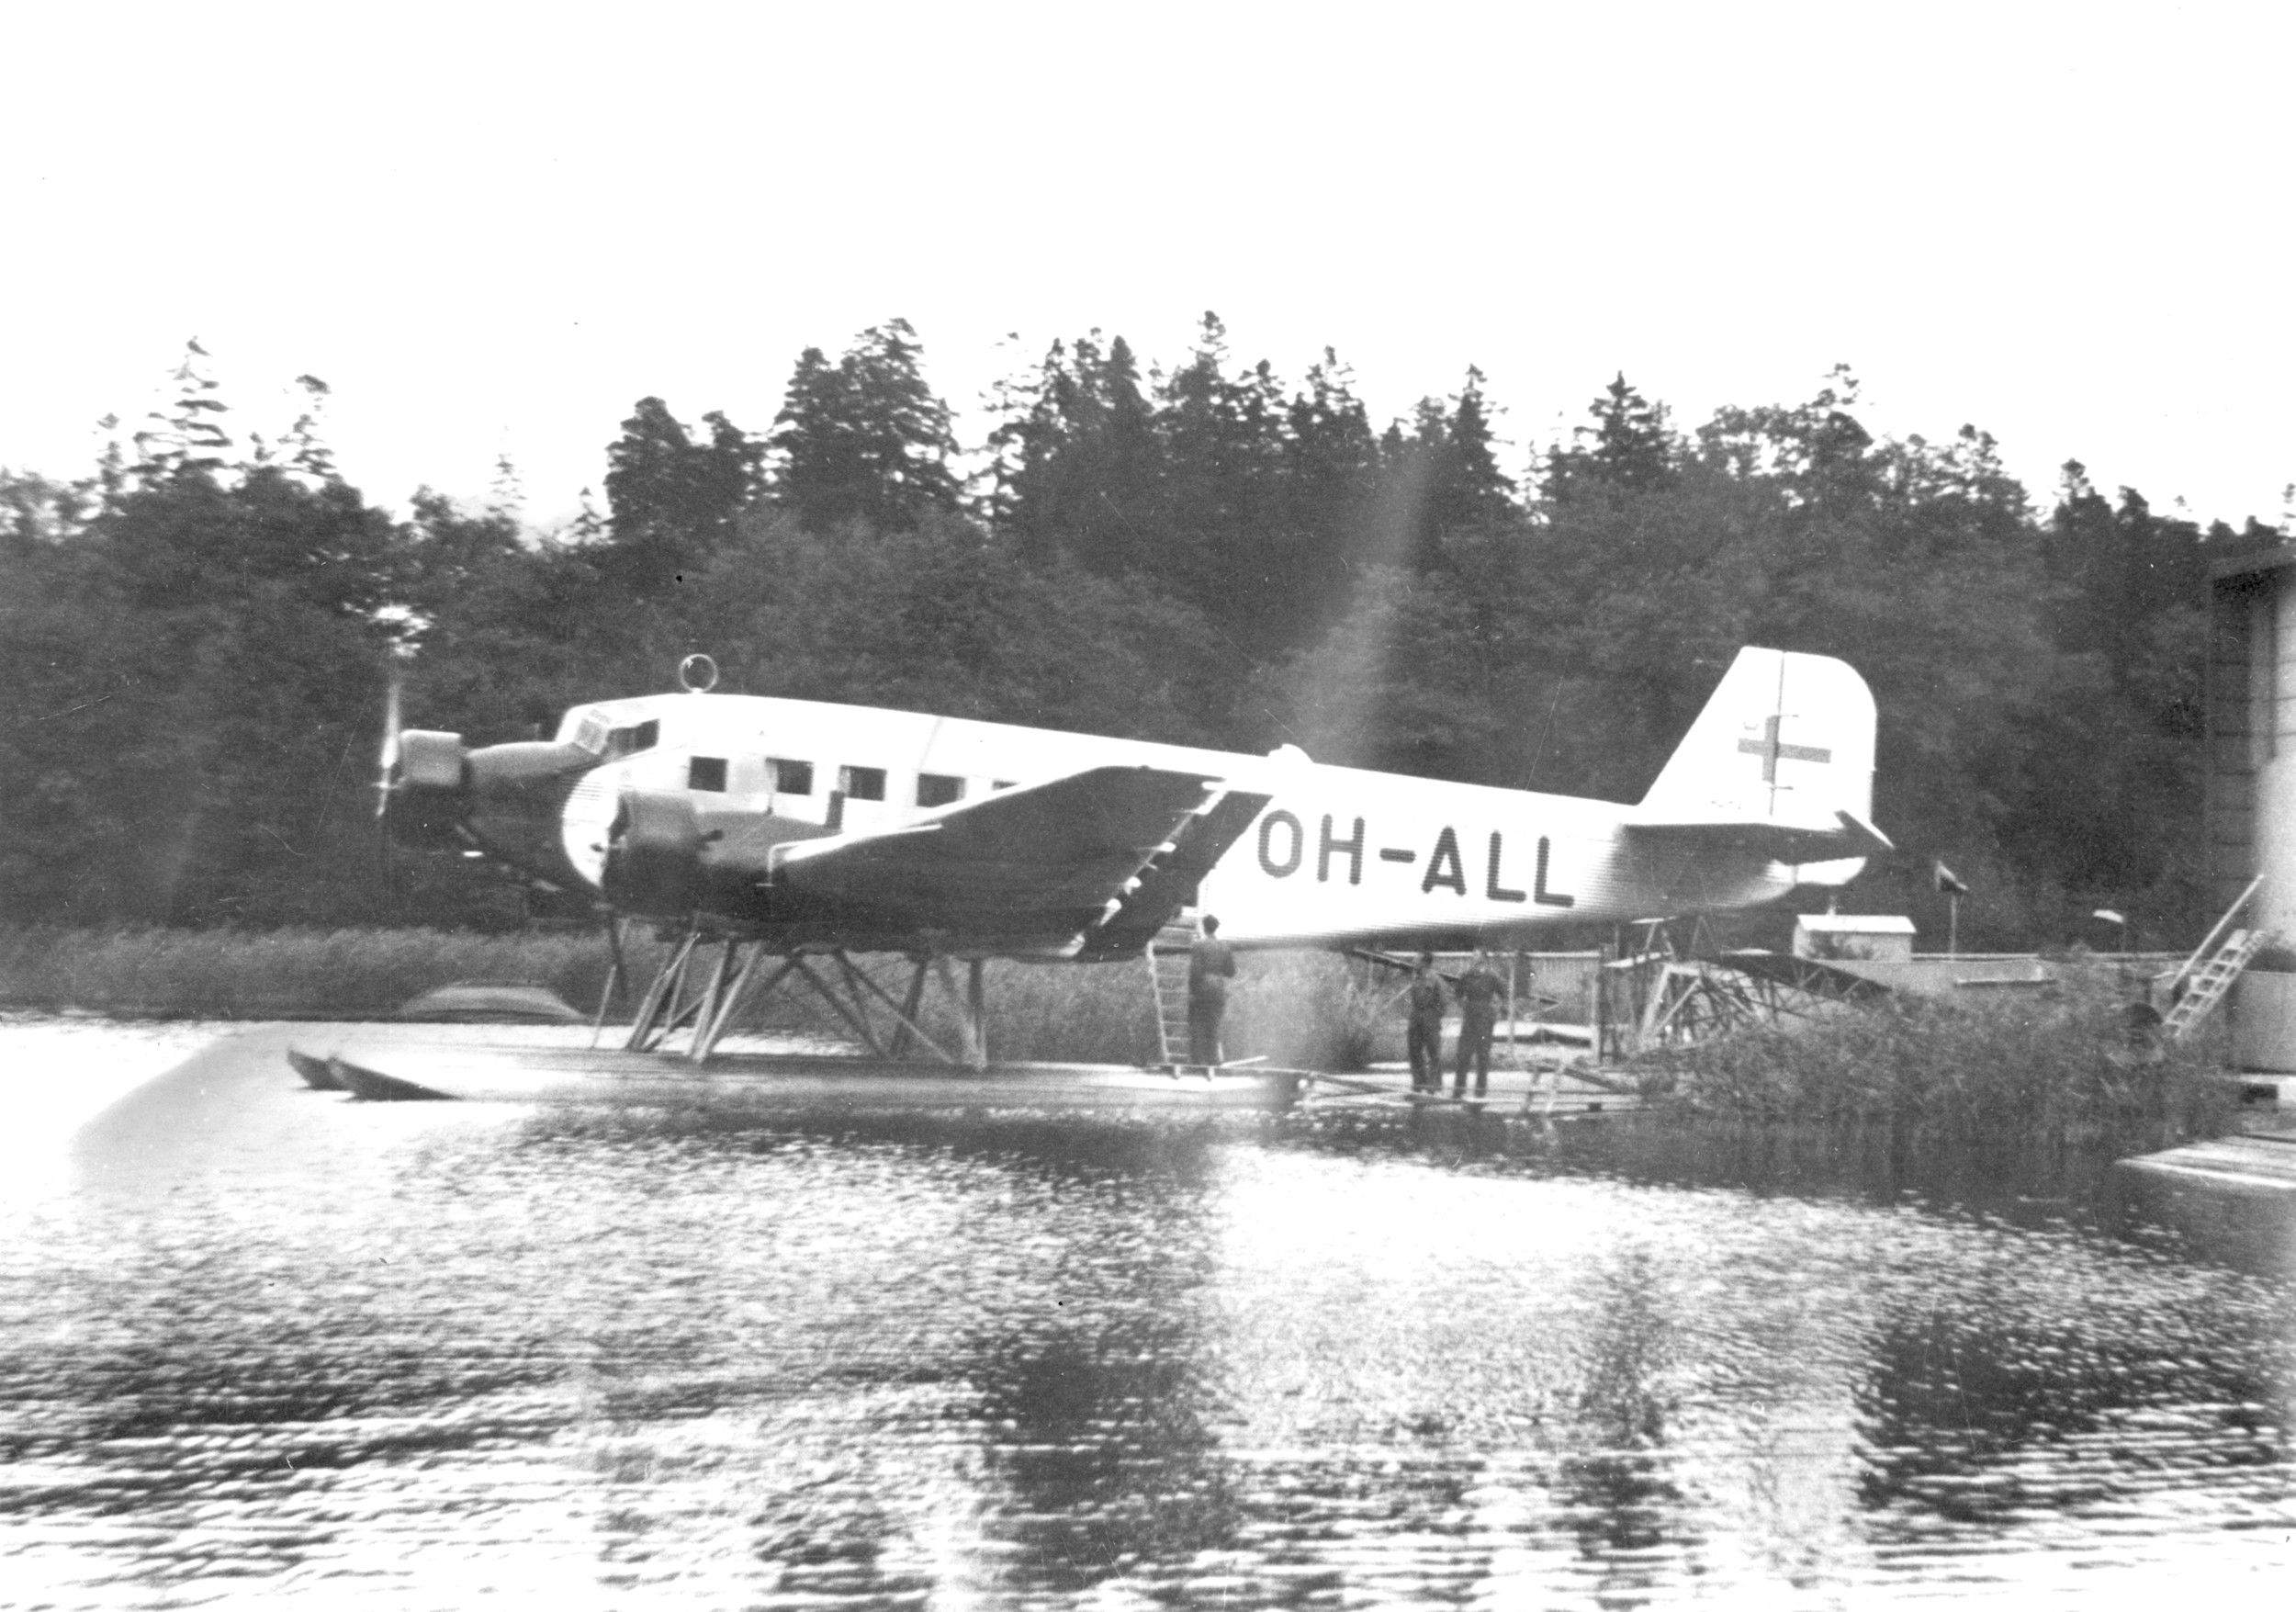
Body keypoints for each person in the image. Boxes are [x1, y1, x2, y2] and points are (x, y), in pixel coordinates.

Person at [1452, 949, 1504, 1099]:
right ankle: (1458, 1090)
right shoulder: (1466, 976)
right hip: (1469, 1019)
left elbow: (1504, 995)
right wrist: (1464, 1006)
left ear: (1483, 959)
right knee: (1463, 1055)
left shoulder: (1492, 977)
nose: (1473, 959)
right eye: (1472, 956)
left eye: (1476, 956)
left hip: (1485, 1019)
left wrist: (1496, 1010)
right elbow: (1457, 994)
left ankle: (1480, 1092)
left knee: (1483, 1055)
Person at [1187, 914, 1237, 1065]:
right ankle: (1213, 1061)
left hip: (1202, 988)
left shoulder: (1198, 946)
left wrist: (1192, 991)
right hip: (1217, 989)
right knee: (1214, 1025)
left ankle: (1197, 1062)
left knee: (1197, 1025)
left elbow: (1195, 971)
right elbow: (1231, 972)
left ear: (1204, 927)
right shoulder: (1224, 947)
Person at [1406, 952, 1447, 1092]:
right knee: (1414, 1051)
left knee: (1433, 1052)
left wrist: (1433, 1017)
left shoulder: (1436, 979)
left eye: (1416, 960)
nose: (1413, 962)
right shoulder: (1415, 978)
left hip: (1430, 1019)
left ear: (1424, 962)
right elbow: (1414, 999)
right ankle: (1419, 1082)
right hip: (1416, 1018)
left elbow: (1442, 1003)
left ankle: (1434, 1084)